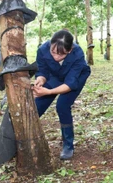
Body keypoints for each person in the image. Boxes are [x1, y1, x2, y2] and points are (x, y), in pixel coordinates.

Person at [32, 29, 91, 160]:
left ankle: (68, 145)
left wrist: (49, 91)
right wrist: (40, 80)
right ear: (50, 45)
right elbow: (42, 71)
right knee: (36, 106)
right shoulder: (42, 49)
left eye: (61, 54)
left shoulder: (77, 54)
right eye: (53, 52)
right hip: (55, 75)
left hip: (75, 78)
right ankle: (26, 140)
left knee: (62, 106)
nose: (56, 57)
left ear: (69, 50)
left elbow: (70, 84)